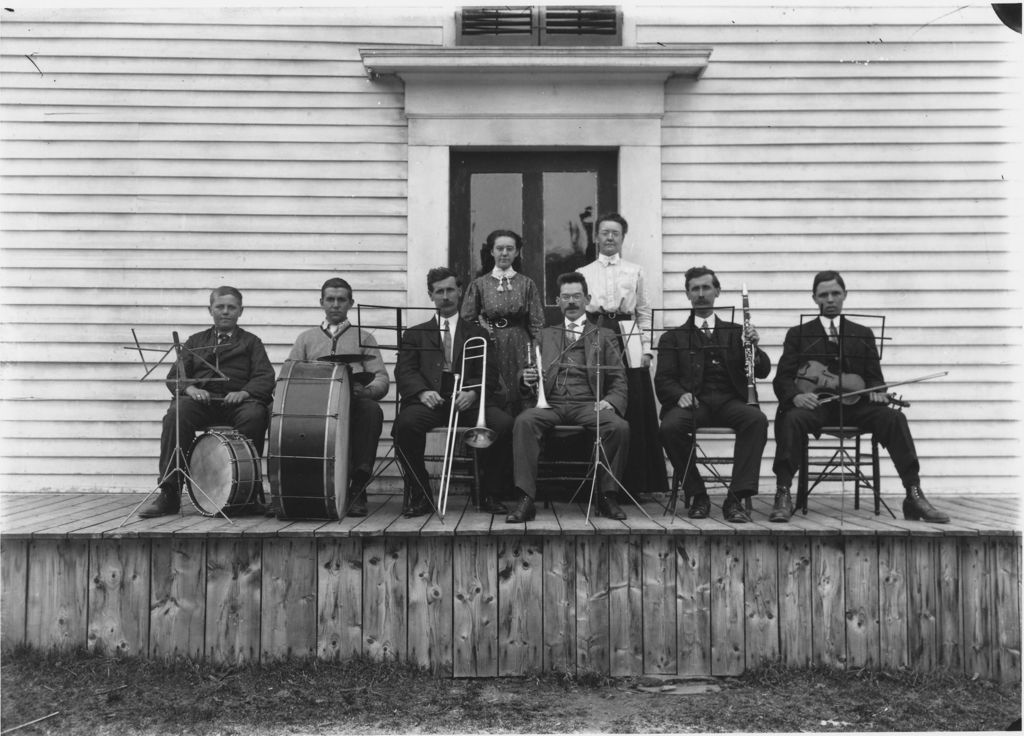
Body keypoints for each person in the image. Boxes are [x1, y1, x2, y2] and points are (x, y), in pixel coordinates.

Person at [771, 270, 949, 523]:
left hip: (856, 406)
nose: (830, 299)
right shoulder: (799, 334)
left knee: (894, 418)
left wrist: (879, 392)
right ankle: (783, 493)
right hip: (817, 407)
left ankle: (913, 493)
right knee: (791, 418)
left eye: (835, 293)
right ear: (814, 298)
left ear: (845, 295)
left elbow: (875, 377)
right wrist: (795, 397)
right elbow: (782, 379)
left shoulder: (862, 332)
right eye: (823, 295)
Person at [140, 286, 275, 517]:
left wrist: (244, 393)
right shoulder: (195, 341)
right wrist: (190, 389)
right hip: (201, 404)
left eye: (231, 307)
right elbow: (174, 377)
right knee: (176, 415)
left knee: (255, 415)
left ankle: (247, 493)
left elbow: (265, 377)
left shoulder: (252, 342)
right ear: (210, 310)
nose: (225, 312)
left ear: (240, 311)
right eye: (219, 307)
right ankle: (169, 493)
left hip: (238, 404)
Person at [507, 272, 629, 523]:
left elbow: (618, 377)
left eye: (577, 296)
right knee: (524, 422)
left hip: (588, 404)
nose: (571, 302)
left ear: (587, 299)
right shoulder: (544, 334)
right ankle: (525, 498)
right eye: (566, 297)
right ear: (557, 301)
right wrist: (525, 378)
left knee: (618, 426)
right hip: (551, 403)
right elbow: (528, 369)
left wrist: (611, 401)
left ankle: (607, 495)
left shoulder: (604, 335)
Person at [393, 267, 515, 518]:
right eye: (439, 291)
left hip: (467, 403)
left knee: (503, 424)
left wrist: (473, 392)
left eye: (450, 290)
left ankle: (488, 492)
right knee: (404, 426)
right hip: (431, 403)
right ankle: (421, 492)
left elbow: (489, 373)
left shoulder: (478, 333)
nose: (445, 296)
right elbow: (405, 371)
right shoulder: (416, 333)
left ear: (460, 292)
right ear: (431, 295)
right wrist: (422, 392)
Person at [655, 266, 771, 523]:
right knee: (669, 428)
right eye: (695, 289)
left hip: (731, 401)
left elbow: (761, 371)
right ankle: (697, 494)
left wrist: (755, 346)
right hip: (695, 403)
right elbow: (663, 379)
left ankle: (736, 498)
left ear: (717, 291)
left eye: (706, 287)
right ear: (687, 294)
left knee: (757, 420)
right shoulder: (672, 338)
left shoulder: (737, 331)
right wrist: (679, 395)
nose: (701, 294)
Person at [576, 212, 668, 497]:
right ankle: (595, 484)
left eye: (616, 233)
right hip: (597, 328)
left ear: (623, 237)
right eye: (605, 232)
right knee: (598, 395)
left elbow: (643, 312)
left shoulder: (635, 271)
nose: (610, 238)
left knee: (635, 402)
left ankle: (636, 484)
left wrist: (647, 349)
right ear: (596, 237)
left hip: (627, 331)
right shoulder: (584, 272)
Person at [285, 277, 388, 516]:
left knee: (372, 410)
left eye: (341, 300)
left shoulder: (364, 337)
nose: (335, 305)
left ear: (351, 303)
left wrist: (368, 390)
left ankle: (358, 487)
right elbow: (290, 373)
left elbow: (382, 377)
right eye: (330, 299)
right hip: (315, 407)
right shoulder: (306, 339)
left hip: (353, 404)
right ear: (321, 302)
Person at [461, 229, 545, 415]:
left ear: (516, 252)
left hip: (519, 344)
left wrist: (535, 355)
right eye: (499, 248)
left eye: (509, 249)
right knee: (494, 387)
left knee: (520, 389)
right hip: (490, 344)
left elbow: (537, 323)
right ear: (492, 252)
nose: (504, 253)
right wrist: (482, 328)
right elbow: (467, 319)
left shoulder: (526, 284)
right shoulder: (479, 284)